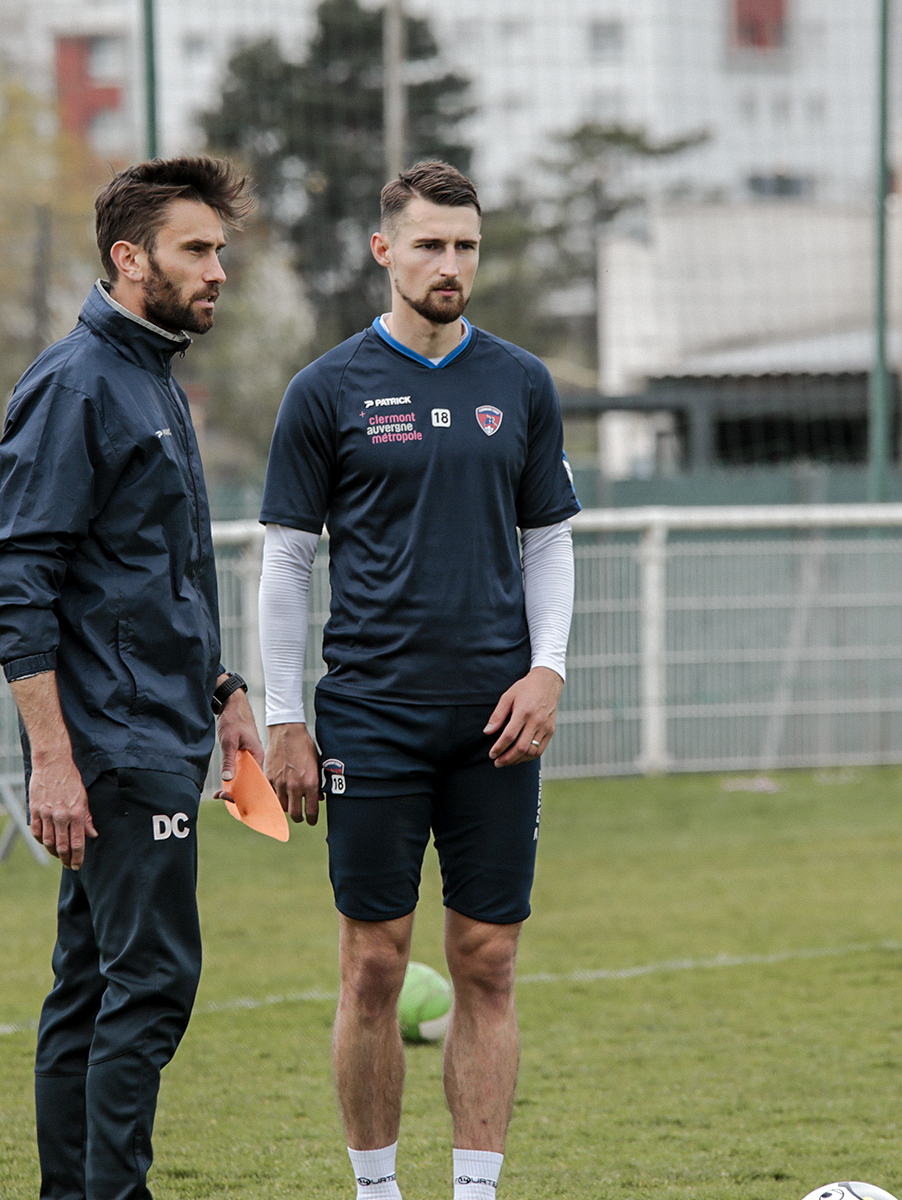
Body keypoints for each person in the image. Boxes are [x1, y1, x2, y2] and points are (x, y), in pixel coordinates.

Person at [258, 160, 579, 1200]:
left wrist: (547, 670)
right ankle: (376, 1191)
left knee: (486, 961)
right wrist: (283, 718)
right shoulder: (325, 390)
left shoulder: (522, 384)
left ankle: (476, 1192)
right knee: (374, 967)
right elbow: (286, 563)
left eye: (467, 246)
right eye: (430, 245)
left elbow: (548, 542)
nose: (450, 265)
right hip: (368, 719)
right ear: (383, 250)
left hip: (496, 720)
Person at [0, 155, 263, 1200]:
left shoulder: (151, 378)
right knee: (149, 986)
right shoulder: (76, 383)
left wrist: (225, 691)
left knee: (92, 985)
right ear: (128, 258)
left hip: (157, 728)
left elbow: (152, 579)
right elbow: (19, 578)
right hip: (112, 747)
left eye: (220, 249)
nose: (218, 268)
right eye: (197, 248)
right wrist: (54, 758)